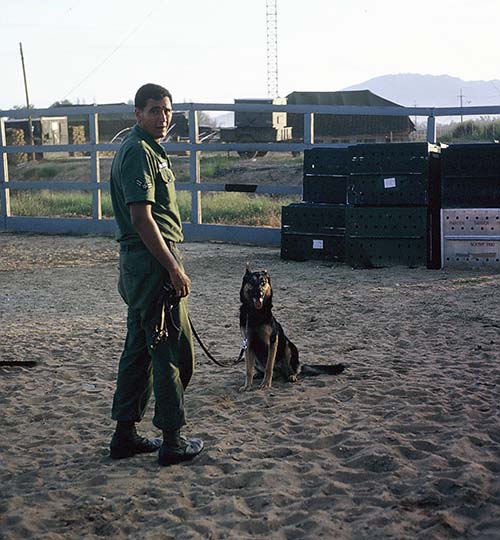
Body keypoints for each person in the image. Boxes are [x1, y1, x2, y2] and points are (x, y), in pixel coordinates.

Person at [108, 83, 204, 466]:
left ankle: (125, 434)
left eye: (167, 110)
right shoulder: (137, 152)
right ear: (137, 113)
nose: (163, 118)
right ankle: (173, 440)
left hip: (144, 262)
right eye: (154, 110)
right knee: (169, 349)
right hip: (152, 262)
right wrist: (173, 268)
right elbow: (142, 218)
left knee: (138, 350)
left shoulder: (148, 149)